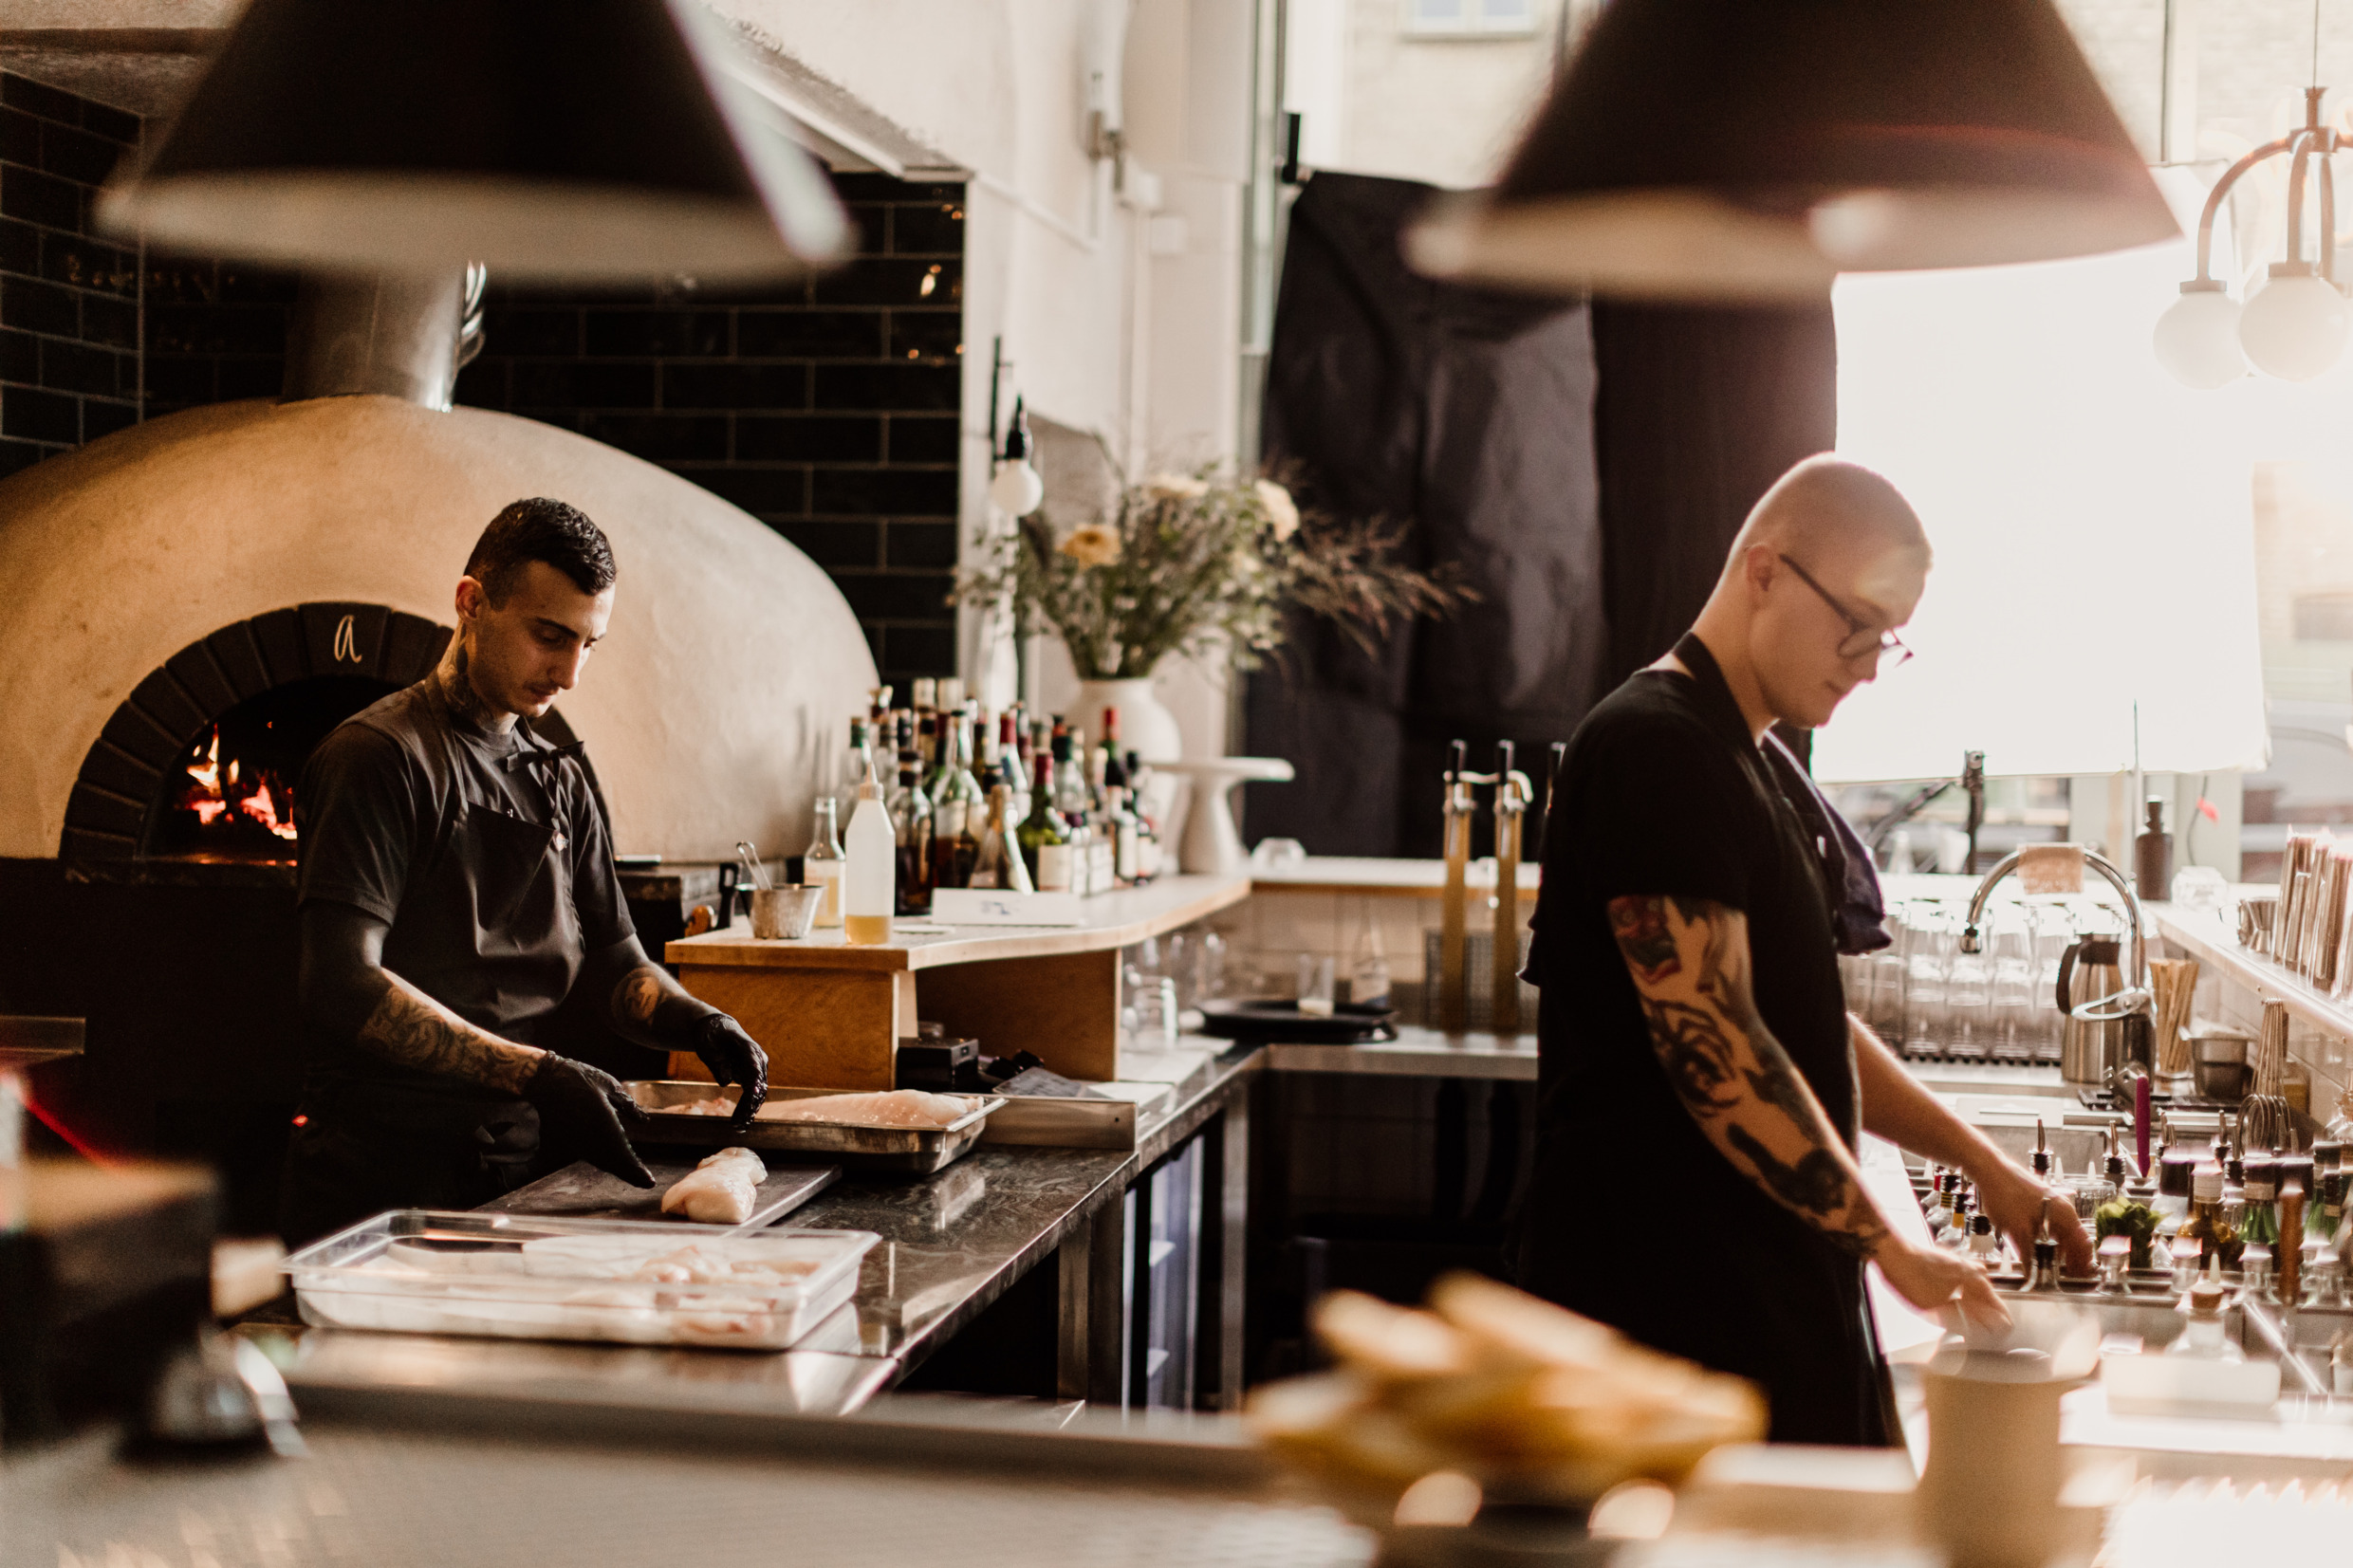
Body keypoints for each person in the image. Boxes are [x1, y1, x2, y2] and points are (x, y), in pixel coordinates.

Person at [1510, 455, 2093, 1446]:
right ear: (1765, 572)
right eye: (1854, 624)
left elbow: (1803, 1021)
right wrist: (1885, 1245)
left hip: (1756, 1285)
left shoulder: (1751, 758)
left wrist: (1987, 1167)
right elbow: (1718, 1049)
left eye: (1889, 640)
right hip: (1666, 1309)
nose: (1868, 661)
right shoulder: (1655, 749)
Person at [279, 498, 768, 1245]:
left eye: (588, 643)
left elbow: (617, 966)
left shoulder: (559, 778)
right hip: (378, 1177)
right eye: (550, 636)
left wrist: (697, 1020)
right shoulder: (379, 758)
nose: (570, 673)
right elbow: (341, 984)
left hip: (515, 1170)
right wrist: (539, 1072)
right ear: (471, 603)